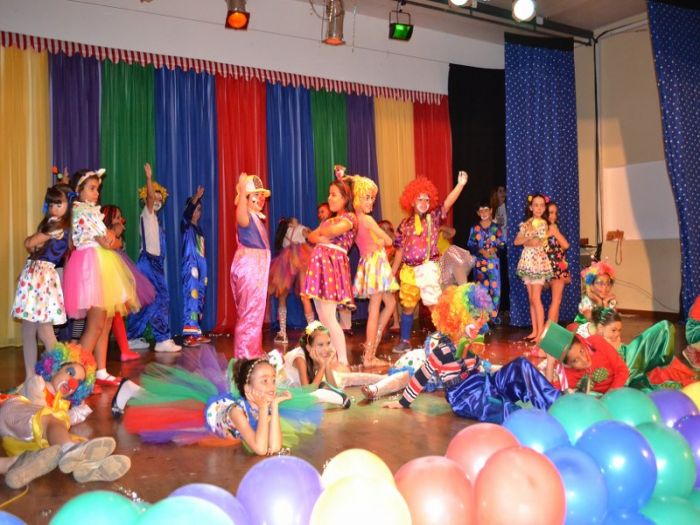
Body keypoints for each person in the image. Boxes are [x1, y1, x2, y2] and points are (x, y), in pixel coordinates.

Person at [384, 283, 561, 423]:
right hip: (464, 397)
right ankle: (534, 422)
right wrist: (402, 402)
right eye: (475, 318)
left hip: (483, 384)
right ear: (458, 318)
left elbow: (481, 369)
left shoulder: (472, 343)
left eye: (482, 319)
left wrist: (499, 374)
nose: (479, 324)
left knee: (520, 366)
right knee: (502, 408)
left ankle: (555, 402)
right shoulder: (443, 350)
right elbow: (422, 375)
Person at [123, 347, 321, 455]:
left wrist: (274, 406)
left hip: (242, 406)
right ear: (248, 389)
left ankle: (136, 392)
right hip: (213, 414)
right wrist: (264, 410)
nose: (271, 386)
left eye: (273, 380)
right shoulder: (237, 413)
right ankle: (133, 391)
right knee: (168, 408)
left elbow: (274, 448)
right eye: (264, 381)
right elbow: (261, 449)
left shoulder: (264, 403)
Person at [0, 343, 131, 482]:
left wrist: (78, 412)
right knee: (56, 426)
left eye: (78, 383)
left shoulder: (60, 406)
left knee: (69, 441)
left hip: (21, 441)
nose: (73, 383)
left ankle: (89, 467)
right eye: (70, 373)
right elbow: (40, 407)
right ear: (54, 369)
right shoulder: (38, 383)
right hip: (12, 413)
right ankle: (69, 449)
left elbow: (61, 420)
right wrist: (61, 420)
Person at [63, 169, 140, 387]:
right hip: (92, 268)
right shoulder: (84, 211)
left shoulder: (87, 211)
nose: (97, 193)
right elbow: (108, 242)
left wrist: (112, 237)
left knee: (105, 323)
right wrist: (114, 237)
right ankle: (72, 376)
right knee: (96, 325)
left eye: (98, 189)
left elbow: (109, 240)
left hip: (99, 264)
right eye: (92, 188)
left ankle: (101, 371)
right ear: (79, 190)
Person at [392, 172, 469, 354]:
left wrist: (460, 185)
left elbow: (448, 203)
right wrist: (392, 272)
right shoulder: (404, 224)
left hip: (428, 268)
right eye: (420, 199)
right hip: (409, 271)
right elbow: (399, 250)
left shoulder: (433, 217)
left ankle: (448, 339)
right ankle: (405, 341)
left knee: (435, 306)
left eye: (427, 200)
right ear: (412, 201)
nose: (424, 203)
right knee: (408, 307)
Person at [12, 185, 72, 380]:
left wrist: (32, 241)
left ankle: (65, 374)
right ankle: (30, 377)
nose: (54, 208)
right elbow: (33, 248)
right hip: (34, 275)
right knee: (28, 329)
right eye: (51, 204)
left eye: (59, 204)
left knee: (45, 331)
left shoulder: (58, 226)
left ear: (68, 205)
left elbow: (29, 243)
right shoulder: (52, 223)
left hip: (43, 278)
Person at [302, 174, 357, 366]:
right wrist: (320, 235)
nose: (329, 198)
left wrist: (323, 232)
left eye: (334, 195)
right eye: (329, 194)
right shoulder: (331, 219)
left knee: (330, 316)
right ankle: (331, 358)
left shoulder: (350, 217)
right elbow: (311, 236)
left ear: (345, 198)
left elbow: (330, 231)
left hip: (331, 265)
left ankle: (343, 361)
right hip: (319, 264)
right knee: (323, 317)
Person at [126, 163, 181, 353]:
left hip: (153, 263)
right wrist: (149, 178)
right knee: (162, 298)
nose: (156, 199)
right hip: (148, 262)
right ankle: (162, 339)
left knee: (147, 301)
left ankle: (132, 336)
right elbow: (150, 198)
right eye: (153, 196)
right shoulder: (147, 214)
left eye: (159, 197)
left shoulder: (155, 219)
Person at [581, 307, 698, 390]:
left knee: (665, 328)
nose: (617, 334)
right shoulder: (593, 342)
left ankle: (661, 361)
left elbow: (623, 351)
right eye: (613, 330)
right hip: (625, 368)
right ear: (601, 328)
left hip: (629, 359)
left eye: (619, 330)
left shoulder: (614, 340)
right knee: (664, 328)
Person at [351, 175, 398, 367]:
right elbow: (388, 240)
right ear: (357, 198)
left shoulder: (354, 220)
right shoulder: (367, 220)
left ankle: (371, 348)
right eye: (367, 197)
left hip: (367, 263)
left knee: (390, 303)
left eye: (372, 198)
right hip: (375, 263)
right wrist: (380, 240)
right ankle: (369, 356)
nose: (371, 201)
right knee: (374, 310)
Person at [102, 204, 155, 362]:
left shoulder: (112, 232)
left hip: (116, 271)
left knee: (116, 314)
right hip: (108, 273)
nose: (121, 220)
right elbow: (114, 244)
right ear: (109, 219)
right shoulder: (105, 234)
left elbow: (118, 244)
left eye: (120, 217)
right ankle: (115, 351)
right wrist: (116, 233)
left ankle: (124, 350)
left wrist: (118, 231)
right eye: (117, 217)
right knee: (109, 317)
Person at [231, 174, 271, 359]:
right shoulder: (245, 216)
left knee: (256, 312)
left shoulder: (256, 218)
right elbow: (240, 215)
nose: (261, 198)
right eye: (256, 194)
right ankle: (245, 355)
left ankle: (253, 350)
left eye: (262, 195)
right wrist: (241, 189)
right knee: (249, 312)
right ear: (246, 198)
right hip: (250, 268)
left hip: (257, 268)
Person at [274, 322, 352, 408]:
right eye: (320, 345)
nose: (326, 349)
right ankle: (339, 400)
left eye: (328, 343)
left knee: (323, 386)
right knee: (319, 392)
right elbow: (307, 393)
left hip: (301, 390)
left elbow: (334, 388)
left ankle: (338, 399)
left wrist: (326, 364)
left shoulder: (319, 355)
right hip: (283, 392)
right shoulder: (299, 359)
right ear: (309, 348)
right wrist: (322, 367)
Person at [539, 321, 629, 394]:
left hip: (622, 386)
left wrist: (610, 394)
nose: (584, 360)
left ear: (582, 343)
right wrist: (550, 363)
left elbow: (622, 370)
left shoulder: (597, 342)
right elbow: (549, 393)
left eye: (581, 351)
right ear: (568, 365)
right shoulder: (568, 375)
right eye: (575, 360)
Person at [268, 217, 315, 345]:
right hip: (301, 260)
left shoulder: (284, 232)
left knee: (282, 297)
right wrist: (311, 233)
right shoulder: (301, 228)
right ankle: (312, 332)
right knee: (305, 296)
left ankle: (283, 332)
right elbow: (312, 237)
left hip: (285, 262)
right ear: (291, 223)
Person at [514, 194, 553, 344]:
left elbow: (535, 243)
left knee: (536, 298)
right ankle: (535, 330)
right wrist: (527, 237)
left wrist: (527, 238)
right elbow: (517, 241)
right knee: (531, 299)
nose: (538, 208)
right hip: (528, 262)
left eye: (541, 205)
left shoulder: (543, 224)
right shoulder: (527, 223)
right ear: (531, 207)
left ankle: (541, 333)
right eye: (536, 205)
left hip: (537, 263)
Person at [181, 186, 210, 347]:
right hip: (190, 267)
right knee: (191, 297)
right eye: (195, 209)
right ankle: (189, 334)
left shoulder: (199, 230)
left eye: (199, 210)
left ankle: (196, 331)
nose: (197, 212)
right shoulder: (186, 225)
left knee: (200, 298)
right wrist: (196, 197)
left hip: (201, 268)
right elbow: (187, 213)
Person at [467, 200, 505, 322]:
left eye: (486, 210)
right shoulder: (475, 228)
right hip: (480, 263)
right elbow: (470, 244)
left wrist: (495, 248)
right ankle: (482, 317)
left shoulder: (496, 228)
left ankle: (493, 316)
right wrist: (481, 251)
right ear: (478, 213)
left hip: (494, 263)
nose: (484, 213)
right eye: (481, 211)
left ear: (491, 211)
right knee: (481, 290)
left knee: (495, 289)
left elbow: (503, 243)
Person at [545, 201, 571, 324]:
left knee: (557, 300)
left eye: (555, 213)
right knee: (556, 300)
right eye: (551, 213)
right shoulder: (551, 228)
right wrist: (555, 232)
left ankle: (553, 328)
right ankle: (549, 329)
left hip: (557, 264)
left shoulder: (548, 227)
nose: (554, 216)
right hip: (555, 266)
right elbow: (566, 245)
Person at [378, 219, 401, 334]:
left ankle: (396, 321)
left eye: (388, 229)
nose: (386, 231)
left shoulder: (394, 243)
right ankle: (391, 320)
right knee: (387, 297)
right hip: (384, 274)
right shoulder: (379, 243)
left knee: (391, 296)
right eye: (383, 229)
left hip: (394, 272)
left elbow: (398, 258)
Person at [438, 225, 475, 290]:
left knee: (462, 282)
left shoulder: (438, 233)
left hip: (451, 255)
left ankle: (466, 293)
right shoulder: (424, 239)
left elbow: (452, 232)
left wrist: (441, 227)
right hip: (441, 262)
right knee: (447, 287)